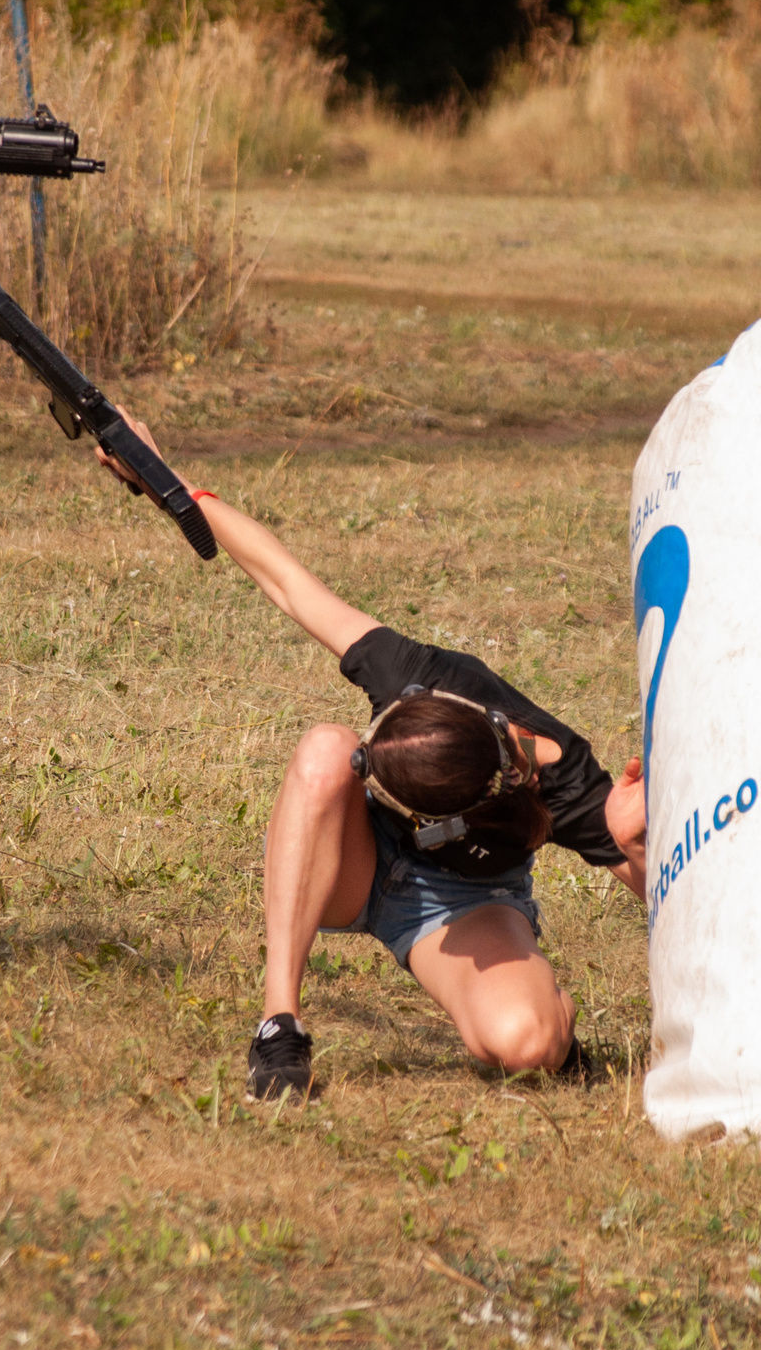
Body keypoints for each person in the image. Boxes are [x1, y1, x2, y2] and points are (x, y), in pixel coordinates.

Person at [95, 423, 650, 1101]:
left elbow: (680, 899)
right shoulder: (418, 673)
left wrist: (637, 840)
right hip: (351, 863)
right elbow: (288, 582)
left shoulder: (563, 780)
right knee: (325, 751)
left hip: (464, 903)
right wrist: (164, 481)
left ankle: (558, 1033)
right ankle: (279, 1024)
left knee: (524, 1042)